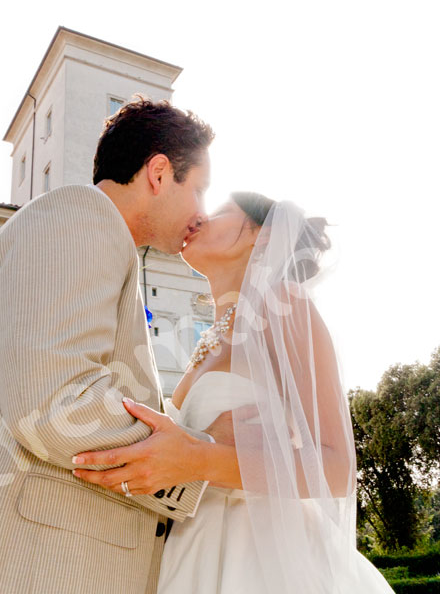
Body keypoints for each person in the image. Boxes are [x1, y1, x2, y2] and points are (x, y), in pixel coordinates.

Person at [0, 99, 223, 594]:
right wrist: (191, 463)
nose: (201, 213)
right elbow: (54, 403)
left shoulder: (92, 233)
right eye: (200, 190)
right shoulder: (81, 217)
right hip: (27, 565)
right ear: (160, 173)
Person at [74, 192, 394, 593]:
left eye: (222, 211)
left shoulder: (283, 304)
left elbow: (338, 471)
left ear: (262, 236)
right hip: (189, 542)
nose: (199, 219)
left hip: (262, 554)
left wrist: (202, 458)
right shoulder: (210, 335)